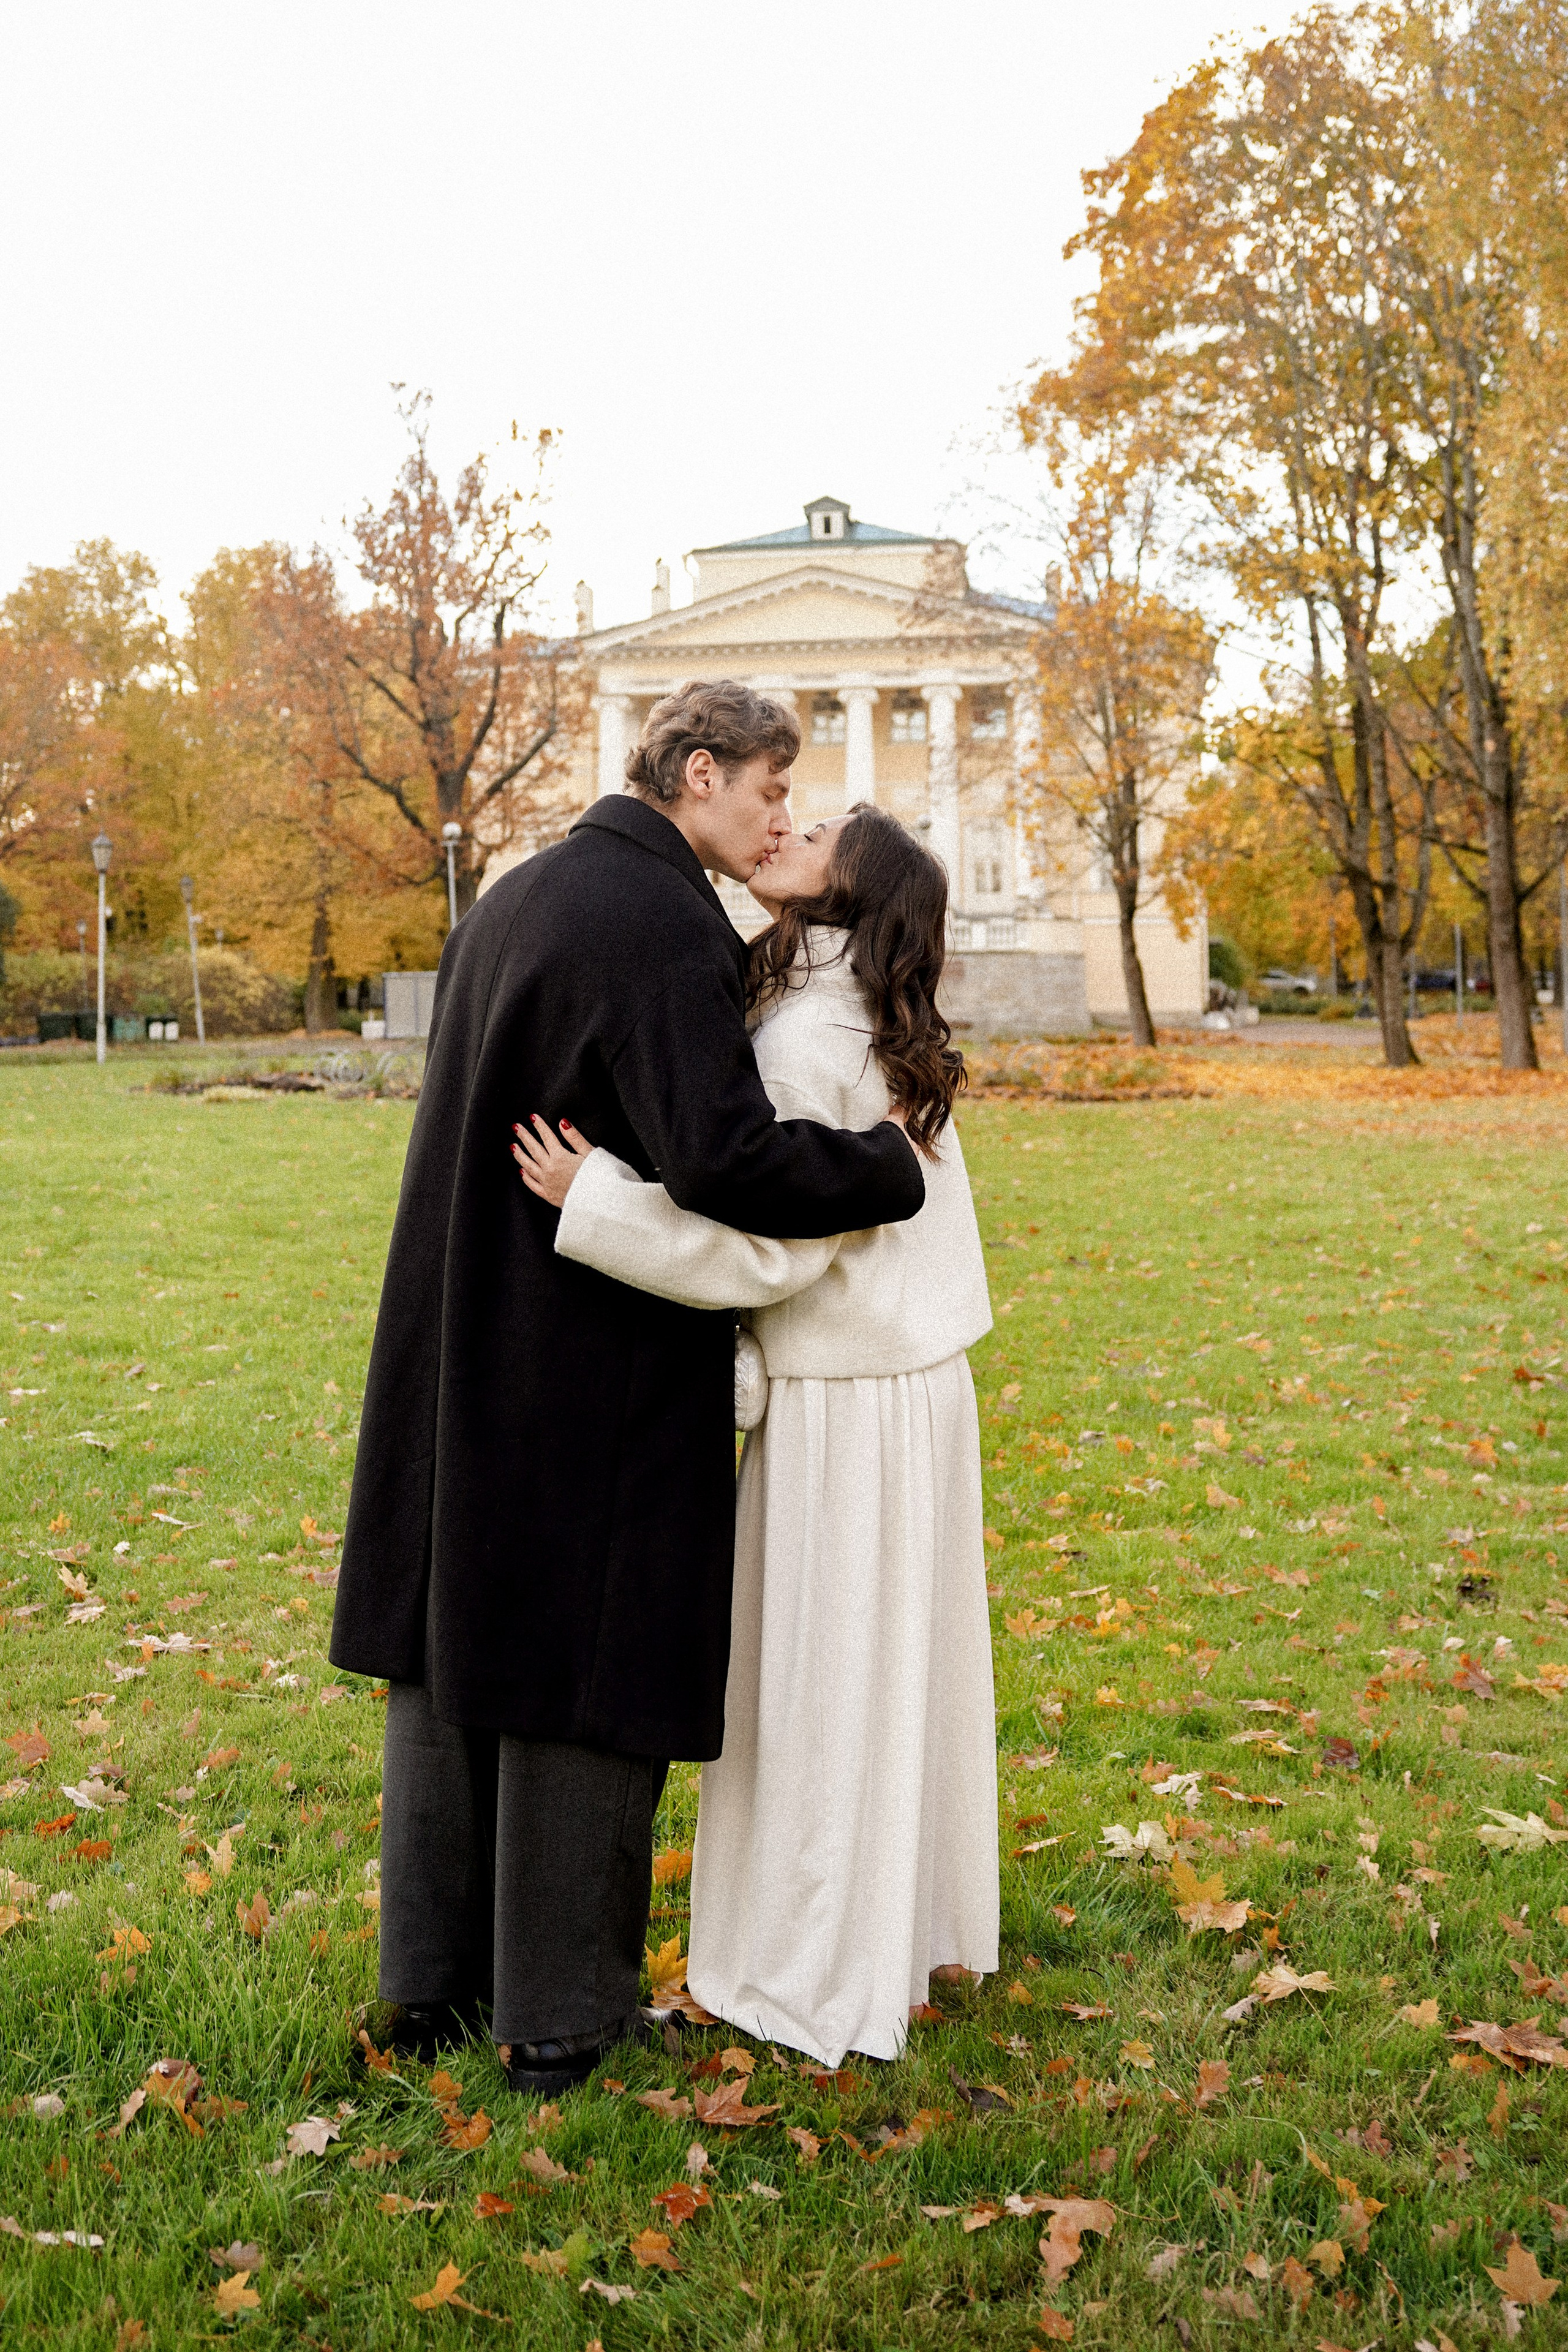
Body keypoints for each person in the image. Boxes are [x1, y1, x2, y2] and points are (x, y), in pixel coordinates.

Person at [328, 683, 925, 2097]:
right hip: (586, 1352)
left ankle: (428, 1990)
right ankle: (562, 2018)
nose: (783, 822)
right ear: (698, 773)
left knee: (455, 1652)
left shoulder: (518, 894)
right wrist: (884, 1165)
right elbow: (720, 1154)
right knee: (585, 1670)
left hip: (459, 1327)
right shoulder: (658, 919)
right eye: (772, 795)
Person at [513, 803, 998, 2067]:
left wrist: (599, 1200)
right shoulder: (872, 1016)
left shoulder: (804, 1031)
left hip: (847, 1398)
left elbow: (771, 1251)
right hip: (913, 1383)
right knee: (884, 1671)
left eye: (822, 828)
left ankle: (804, 1969)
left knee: (816, 1685)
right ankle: (897, 1931)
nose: (790, 826)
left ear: (849, 890)